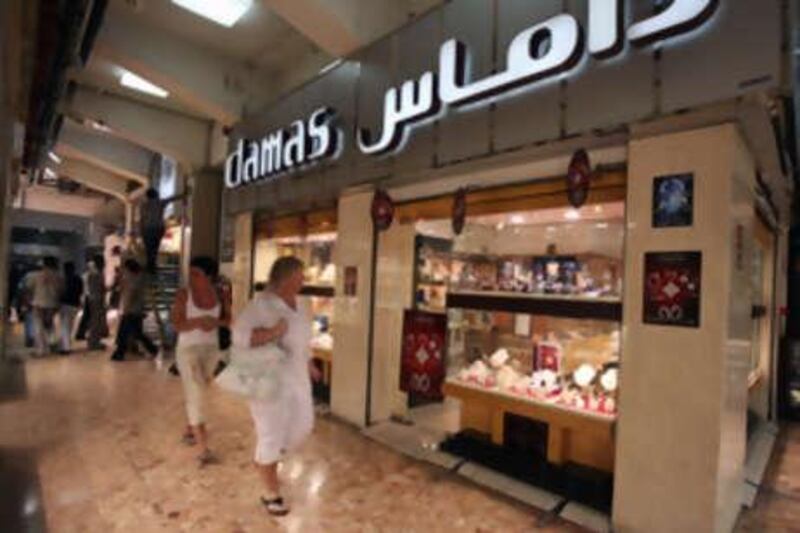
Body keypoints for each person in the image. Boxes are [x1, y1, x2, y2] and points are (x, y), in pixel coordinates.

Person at [232, 256, 320, 516]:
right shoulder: (261, 304)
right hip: (268, 381)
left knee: (303, 426)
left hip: (297, 379)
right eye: (300, 275)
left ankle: (264, 461)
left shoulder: (301, 304)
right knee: (270, 434)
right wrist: (273, 333)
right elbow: (239, 337)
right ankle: (270, 493)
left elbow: (303, 341)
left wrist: (310, 363)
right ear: (287, 277)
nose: (304, 280)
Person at [172, 256, 228, 466]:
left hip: (211, 350)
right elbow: (177, 324)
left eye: (197, 274)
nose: (192, 278)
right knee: (196, 394)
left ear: (210, 276)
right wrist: (197, 321)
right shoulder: (184, 294)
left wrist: (215, 321)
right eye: (191, 273)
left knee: (198, 390)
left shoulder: (220, 294)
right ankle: (203, 449)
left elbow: (228, 319)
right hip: (188, 351)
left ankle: (189, 429)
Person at [110, 259, 158, 361]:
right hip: (136, 309)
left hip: (132, 310)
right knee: (136, 333)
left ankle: (120, 353)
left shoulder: (133, 279)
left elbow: (131, 294)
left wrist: (126, 308)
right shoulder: (139, 277)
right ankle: (153, 349)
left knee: (124, 333)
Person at [26, 256, 63, 356]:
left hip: (38, 303)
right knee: (50, 326)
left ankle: (41, 350)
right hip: (53, 304)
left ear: (43, 264)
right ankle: (52, 344)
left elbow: (29, 289)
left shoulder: (35, 275)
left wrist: (28, 302)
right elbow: (61, 290)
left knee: (38, 326)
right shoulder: (58, 276)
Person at [59, 262, 83, 354]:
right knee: (70, 325)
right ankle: (66, 344)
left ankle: (65, 347)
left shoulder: (63, 279)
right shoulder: (78, 279)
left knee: (64, 326)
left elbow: (60, 291)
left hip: (65, 304)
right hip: (74, 304)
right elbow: (80, 291)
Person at [85, 255, 109, 351]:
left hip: (93, 299)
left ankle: (94, 342)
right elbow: (101, 288)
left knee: (95, 321)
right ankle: (93, 343)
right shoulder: (97, 274)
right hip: (97, 300)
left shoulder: (92, 273)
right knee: (96, 322)